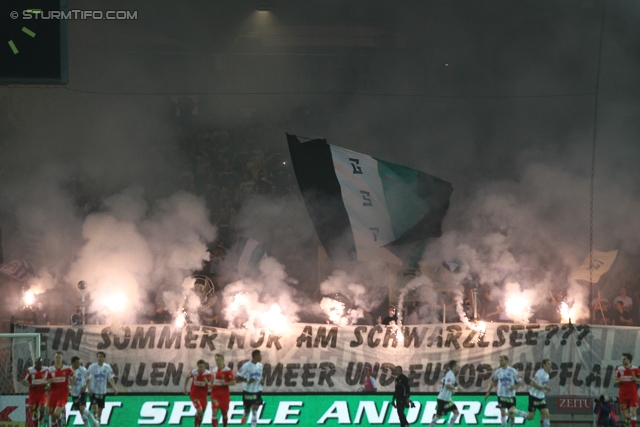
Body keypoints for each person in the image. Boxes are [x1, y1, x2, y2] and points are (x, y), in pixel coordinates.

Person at [510, 358, 552, 427]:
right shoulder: (540, 373)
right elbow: (532, 383)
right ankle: (514, 410)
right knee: (530, 417)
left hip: (541, 397)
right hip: (534, 397)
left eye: (550, 364)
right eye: (548, 364)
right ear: (544, 365)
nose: (550, 365)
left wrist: (547, 388)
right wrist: (543, 388)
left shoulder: (547, 375)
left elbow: (543, 385)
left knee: (546, 414)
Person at [484, 355, 523, 427]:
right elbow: (494, 382)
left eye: (502, 360)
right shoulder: (497, 372)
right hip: (501, 395)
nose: (500, 362)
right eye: (500, 360)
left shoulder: (512, 371)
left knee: (512, 415)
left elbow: (520, 381)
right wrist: (488, 392)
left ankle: (512, 425)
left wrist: (515, 386)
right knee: (503, 412)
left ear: (507, 361)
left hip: (511, 395)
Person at [87, 351, 118, 423]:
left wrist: (115, 387)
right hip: (93, 391)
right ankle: (94, 421)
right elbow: (88, 378)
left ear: (104, 358)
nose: (99, 358)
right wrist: (88, 389)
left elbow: (110, 378)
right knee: (95, 409)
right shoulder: (92, 367)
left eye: (101, 357)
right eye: (98, 356)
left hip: (102, 391)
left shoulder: (107, 367)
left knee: (100, 411)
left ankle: (97, 422)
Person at [47, 351, 76, 427]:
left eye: (59, 357)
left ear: (62, 358)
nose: (58, 359)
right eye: (56, 357)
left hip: (63, 394)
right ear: (54, 358)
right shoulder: (50, 369)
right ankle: (60, 420)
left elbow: (74, 376)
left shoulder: (67, 369)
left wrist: (70, 385)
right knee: (53, 417)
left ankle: (61, 417)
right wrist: (47, 382)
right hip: (53, 394)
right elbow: (46, 381)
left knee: (56, 413)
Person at [236, 349, 264, 427]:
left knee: (255, 410)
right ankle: (244, 415)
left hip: (257, 390)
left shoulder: (260, 365)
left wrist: (261, 380)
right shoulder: (246, 366)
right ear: (255, 356)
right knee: (247, 409)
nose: (261, 357)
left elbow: (259, 376)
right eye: (260, 355)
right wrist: (247, 380)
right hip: (248, 391)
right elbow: (237, 377)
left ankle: (253, 425)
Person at [429, 360, 460, 427]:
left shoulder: (450, 374)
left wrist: (451, 390)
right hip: (442, 399)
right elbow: (447, 385)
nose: (458, 367)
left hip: (447, 399)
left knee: (456, 412)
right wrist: (456, 388)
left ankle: (449, 426)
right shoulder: (450, 374)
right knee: (438, 416)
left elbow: (442, 381)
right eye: (457, 366)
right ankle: (431, 425)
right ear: (454, 366)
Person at [70, 356, 99, 427]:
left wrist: (85, 386)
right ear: (73, 363)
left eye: (79, 362)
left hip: (83, 391)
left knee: (82, 407)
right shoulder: (69, 370)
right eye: (77, 362)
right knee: (81, 411)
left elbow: (89, 378)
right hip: (74, 393)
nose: (78, 364)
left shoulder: (82, 369)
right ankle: (87, 425)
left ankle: (94, 421)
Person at [183, 359, 212, 427]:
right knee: (199, 410)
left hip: (203, 394)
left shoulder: (208, 373)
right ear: (197, 366)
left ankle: (198, 424)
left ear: (205, 366)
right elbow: (187, 378)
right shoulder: (193, 372)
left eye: (202, 367)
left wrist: (207, 383)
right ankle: (195, 425)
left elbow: (210, 385)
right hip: (194, 393)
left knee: (202, 412)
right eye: (199, 367)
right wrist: (185, 388)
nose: (201, 368)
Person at [21, 357, 48, 427]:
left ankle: (41, 419)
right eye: (37, 363)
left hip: (42, 393)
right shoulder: (30, 370)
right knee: (34, 412)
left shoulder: (46, 370)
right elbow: (23, 380)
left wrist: (47, 387)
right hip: (33, 394)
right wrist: (29, 385)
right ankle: (35, 425)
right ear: (35, 363)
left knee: (42, 408)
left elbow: (51, 380)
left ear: (42, 363)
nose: (39, 365)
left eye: (40, 363)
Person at [614, 353, 639, 427]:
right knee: (624, 415)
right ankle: (628, 418)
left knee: (633, 412)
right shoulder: (619, 369)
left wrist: (636, 379)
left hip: (633, 394)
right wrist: (619, 380)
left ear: (629, 360)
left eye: (624, 359)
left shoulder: (636, 369)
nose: (622, 360)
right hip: (623, 394)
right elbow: (615, 382)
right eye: (622, 359)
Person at [211, 353, 236, 427]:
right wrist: (210, 384)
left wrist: (225, 383)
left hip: (224, 395)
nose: (218, 361)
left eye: (219, 360)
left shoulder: (228, 370)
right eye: (216, 360)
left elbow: (233, 382)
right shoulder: (214, 369)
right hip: (215, 393)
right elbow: (212, 380)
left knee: (224, 413)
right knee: (214, 412)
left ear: (223, 360)